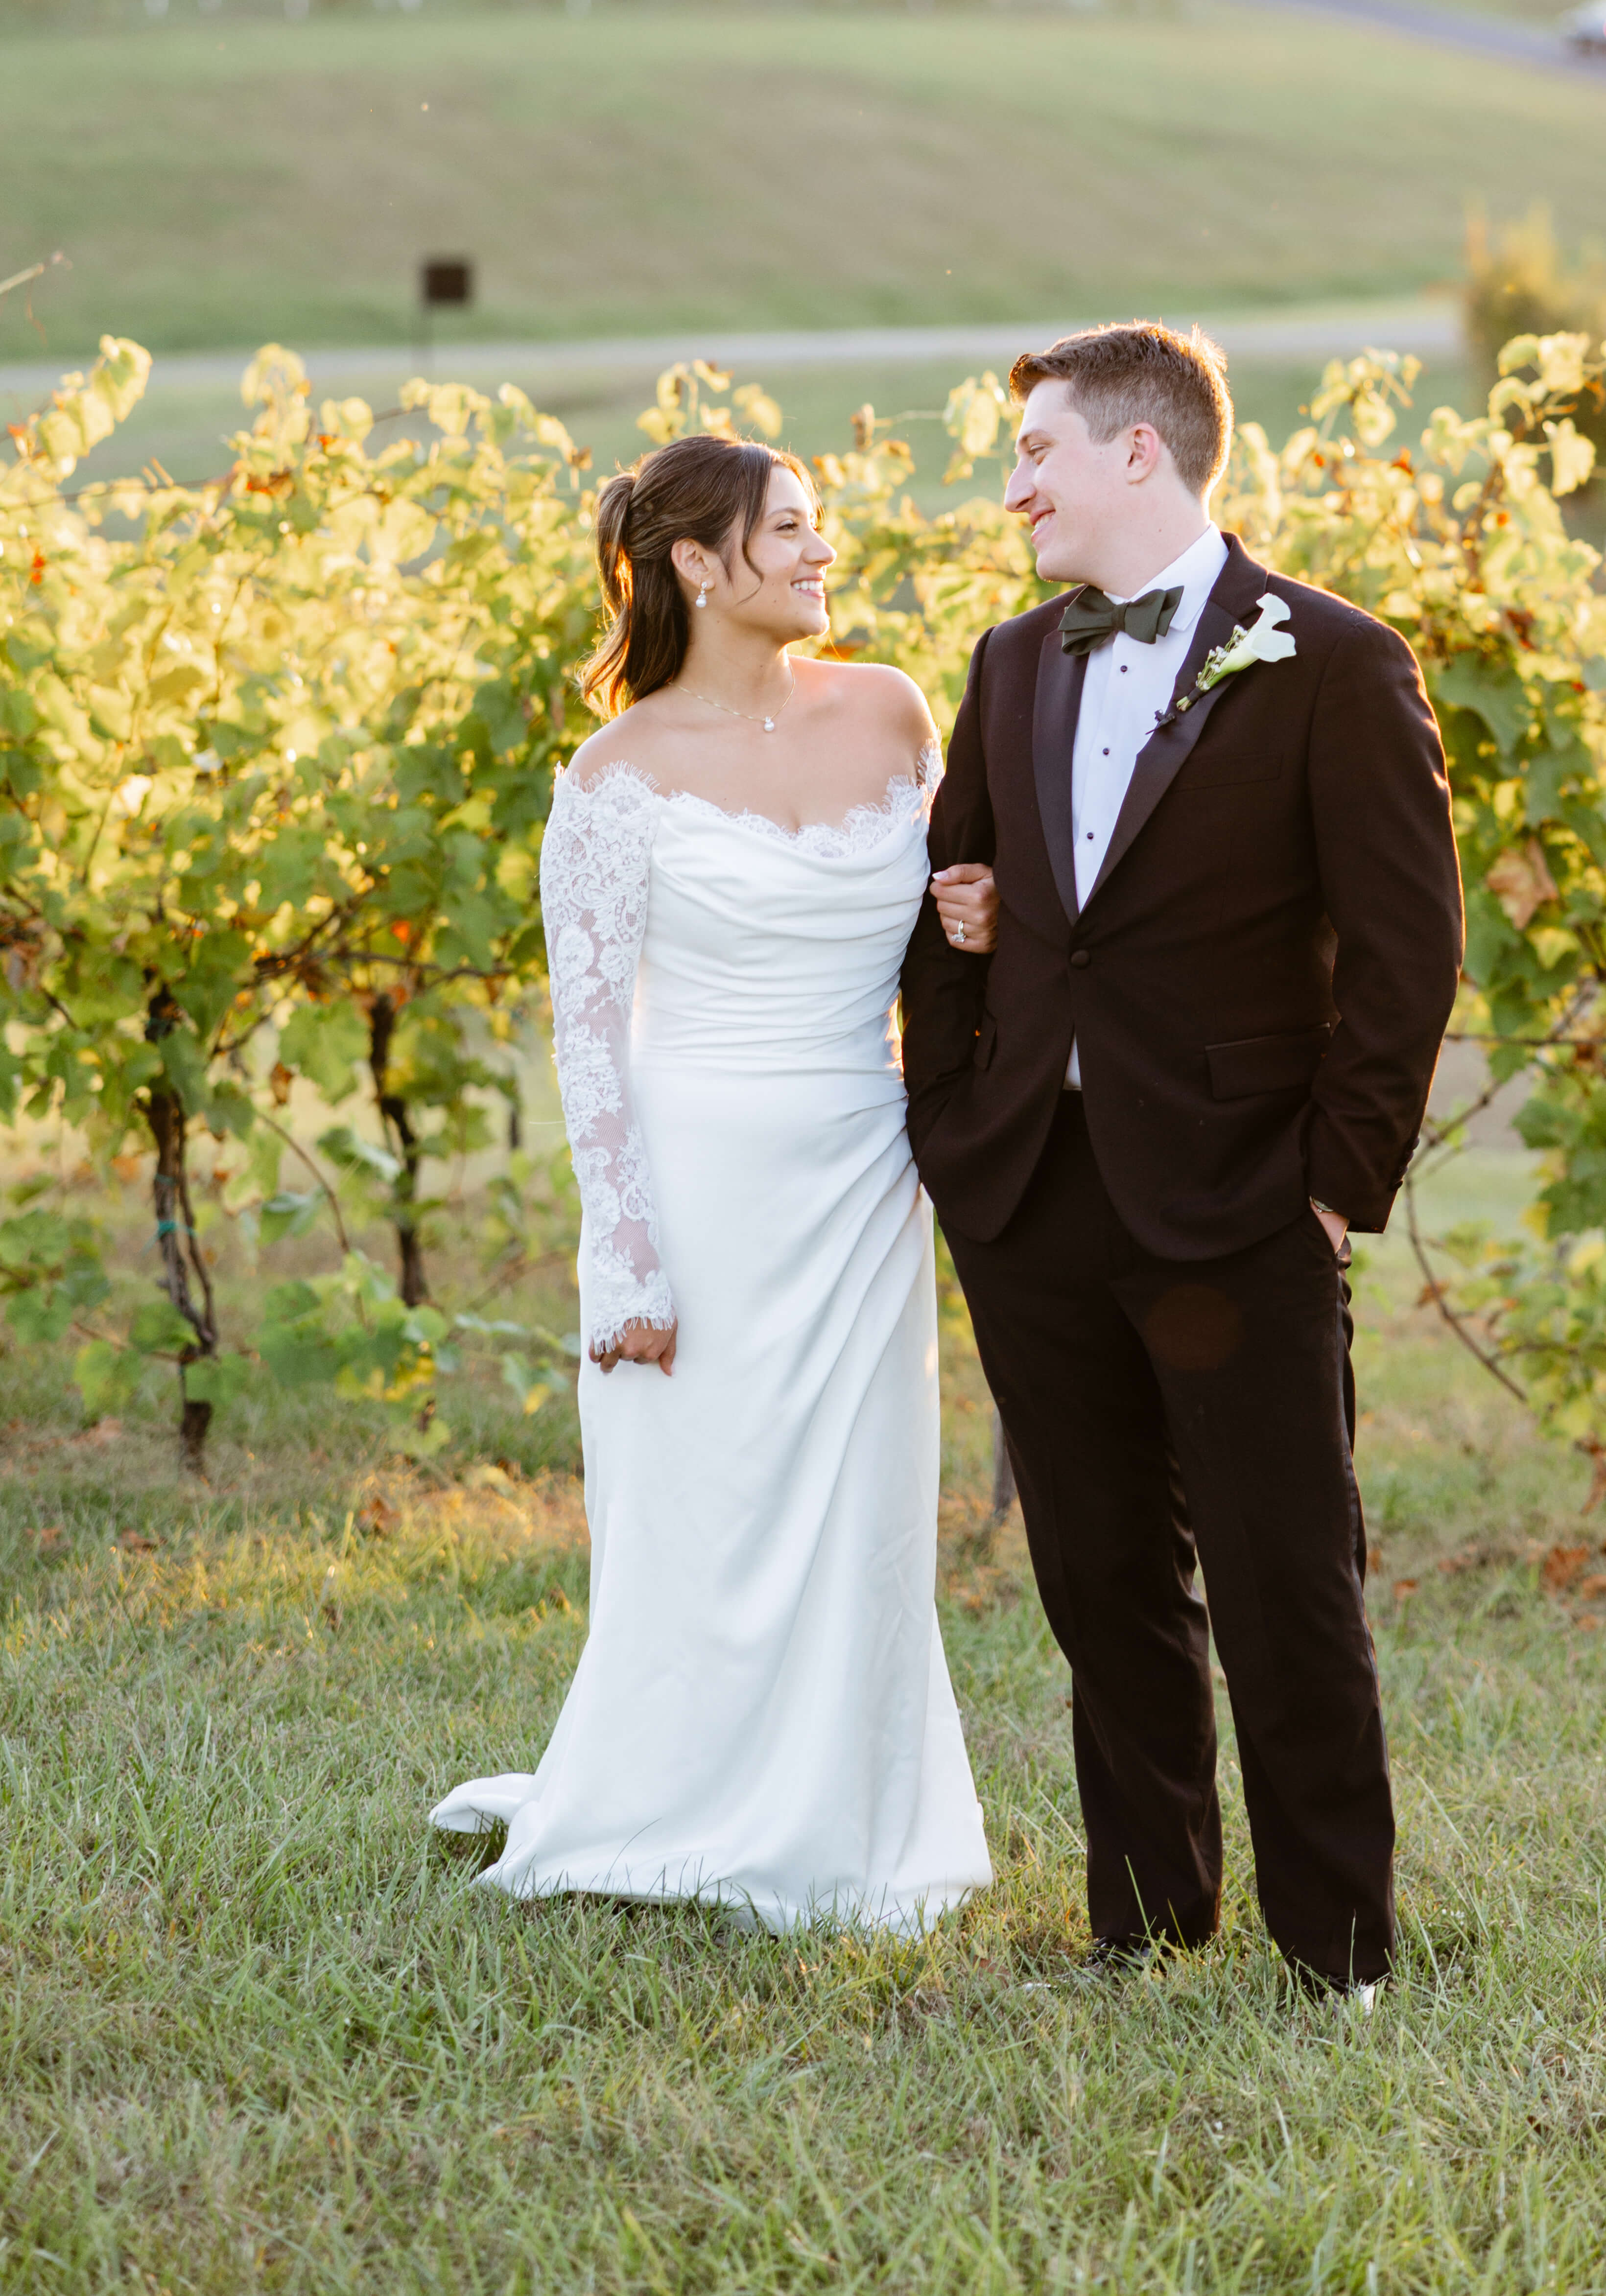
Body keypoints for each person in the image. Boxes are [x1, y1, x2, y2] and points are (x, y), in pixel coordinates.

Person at [898, 319, 1464, 2001]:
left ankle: (1337, 1953)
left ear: (1141, 452)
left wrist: (1333, 1183)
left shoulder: (1338, 661)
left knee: (1292, 1579)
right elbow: (961, 906)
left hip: (1240, 1198)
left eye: (1038, 454)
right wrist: (955, 1117)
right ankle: (1144, 1919)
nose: (1014, 491)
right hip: (1034, 1194)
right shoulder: (1008, 662)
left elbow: (1407, 948)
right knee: (1100, 1578)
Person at [430, 431, 1001, 1933]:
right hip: (691, 1184)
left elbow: (949, 942)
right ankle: (664, 1796)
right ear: (698, 561)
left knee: (858, 1512)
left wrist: (983, 914)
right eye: (793, 529)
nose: (825, 553)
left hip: (866, 1177)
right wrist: (624, 1253)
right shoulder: (613, 776)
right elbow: (590, 1028)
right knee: (702, 1502)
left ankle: (845, 1823)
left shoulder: (893, 710)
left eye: (820, 527)